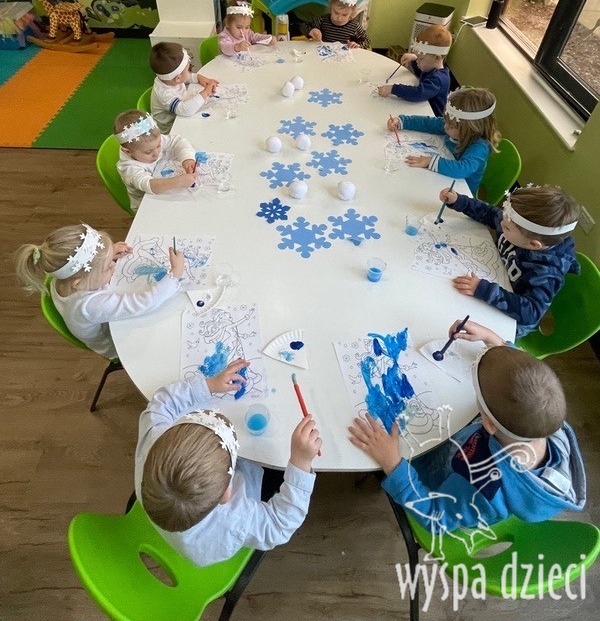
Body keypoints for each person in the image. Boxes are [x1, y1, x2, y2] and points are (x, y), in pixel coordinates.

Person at [348, 319, 586, 535]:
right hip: (463, 448)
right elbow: (526, 384)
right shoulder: (543, 420)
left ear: (488, 423)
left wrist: (393, 464)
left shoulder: (482, 485)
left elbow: (435, 517)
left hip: (441, 483)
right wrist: (494, 341)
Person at [135, 364, 322, 567]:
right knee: (276, 469)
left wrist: (208, 385)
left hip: (172, 523)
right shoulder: (234, 520)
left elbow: (161, 404)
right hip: (212, 543)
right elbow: (280, 524)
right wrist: (301, 462)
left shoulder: (153, 443)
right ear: (227, 494)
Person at [15, 222, 184, 359]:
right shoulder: (89, 306)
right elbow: (145, 302)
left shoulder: (62, 278)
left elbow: (91, 271)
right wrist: (174, 274)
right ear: (79, 283)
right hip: (118, 345)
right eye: (107, 267)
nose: (113, 266)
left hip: (108, 319)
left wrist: (106, 256)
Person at [438, 184, 580, 337]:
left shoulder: (546, 271)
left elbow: (531, 313)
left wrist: (485, 290)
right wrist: (460, 201)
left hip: (510, 318)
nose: (500, 223)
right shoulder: (514, 224)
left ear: (533, 244)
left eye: (506, 228)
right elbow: (489, 213)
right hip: (496, 276)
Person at [387, 87, 500, 195]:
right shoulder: (454, 126)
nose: (445, 126)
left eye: (450, 126)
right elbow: (428, 123)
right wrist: (402, 121)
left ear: (470, 129)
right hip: (441, 180)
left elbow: (462, 169)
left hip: (459, 193)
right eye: (446, 122)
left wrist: (430, 161)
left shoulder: (480, 146)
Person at [114, 110, 197, 212]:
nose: (156, 153)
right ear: (128, 152)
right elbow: (150, 185)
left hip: (164, 180)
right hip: (146, 207)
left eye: (158, 146)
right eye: (148, 152)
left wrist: (187, 159)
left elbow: (179, 141)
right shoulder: (129, 168)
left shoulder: (151, 142)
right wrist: (178, 181)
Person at [377, 24, 452, 117]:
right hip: (422, 107)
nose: (418, 61)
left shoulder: (438, 79)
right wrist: (414, 59)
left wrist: (394, 89)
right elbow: (422, 73)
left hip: (432, 118)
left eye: (421, 58)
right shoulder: (431, 66)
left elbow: (418, 93)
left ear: (437, 57)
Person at [150, 42, 219, 133]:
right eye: (188, 69)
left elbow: (185, 77)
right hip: (171, 128)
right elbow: (185, 110)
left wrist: (198, 78)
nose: (190, 71)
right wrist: (205, 93)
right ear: (177, 78)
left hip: (180, 115)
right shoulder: (165, 94)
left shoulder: (170, 80)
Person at [303, 0, 370, 49]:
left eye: (344, 15)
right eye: (336, 12)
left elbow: (366, 42)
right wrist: (311, 31)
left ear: (352, 11)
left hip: (344, 55)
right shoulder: (322, 20)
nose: (339, 18)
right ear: (331, 6)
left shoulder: (354, 27)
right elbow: (303, 26)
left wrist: (357, 45)